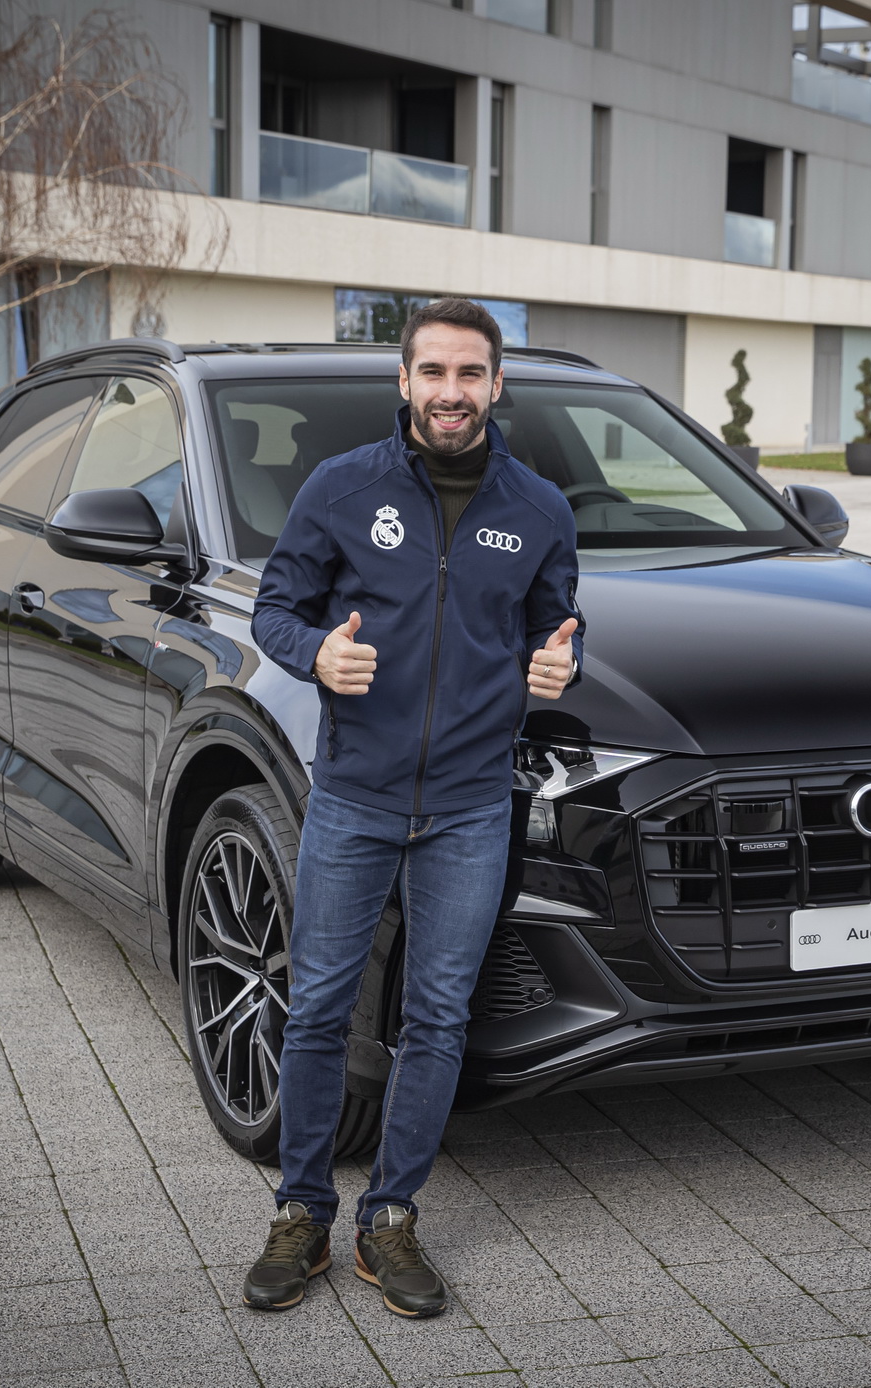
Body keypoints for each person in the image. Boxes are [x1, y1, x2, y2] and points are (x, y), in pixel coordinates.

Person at [244, 298, 584, 1318]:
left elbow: (559, 625)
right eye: (432, 372)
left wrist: (563, 663)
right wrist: (316, 654)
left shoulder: (539, 508)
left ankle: (388, 1217)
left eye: (470, 373)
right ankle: (300, 1207)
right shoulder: (340, 490)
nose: (450, 391)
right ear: (403, 381)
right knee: (316, 1009)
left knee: (436, 1018)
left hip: (473, 806)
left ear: (495, 384)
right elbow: (276, 608)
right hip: (356, 794)